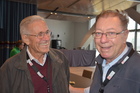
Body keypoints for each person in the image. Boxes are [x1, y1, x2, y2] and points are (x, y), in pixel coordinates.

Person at [70, 9, 140, 93]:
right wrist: (72, 89)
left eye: (111, 33)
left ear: (125, 35)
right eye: (98, 33)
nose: (103, 40)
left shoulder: (137, 68)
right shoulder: (101, 62)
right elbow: (99, 89)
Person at [0, 15, 70, 93]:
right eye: (40, 34)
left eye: (47, 32)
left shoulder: (61, 59)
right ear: (26, 39)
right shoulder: (9, 67)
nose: (46, 38)